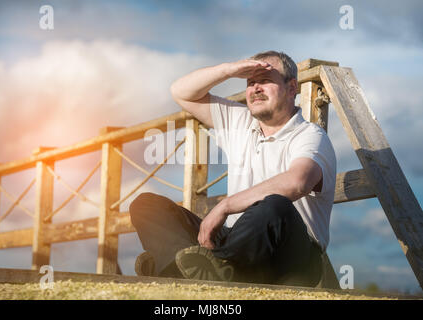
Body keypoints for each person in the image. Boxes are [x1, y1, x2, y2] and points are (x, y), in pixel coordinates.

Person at [129, 51, 336, 286]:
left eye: (266, 80)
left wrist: (225, 206)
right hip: (233, 243)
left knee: (274, 205)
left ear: (291, 89)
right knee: (146, 204)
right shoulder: (239, 122)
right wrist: (229, 70)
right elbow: (181, 92)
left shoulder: (310, 135)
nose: (255, 88)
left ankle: (179, 267)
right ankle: (184, 267)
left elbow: (297, 181)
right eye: (250, 82)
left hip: (290, 254)